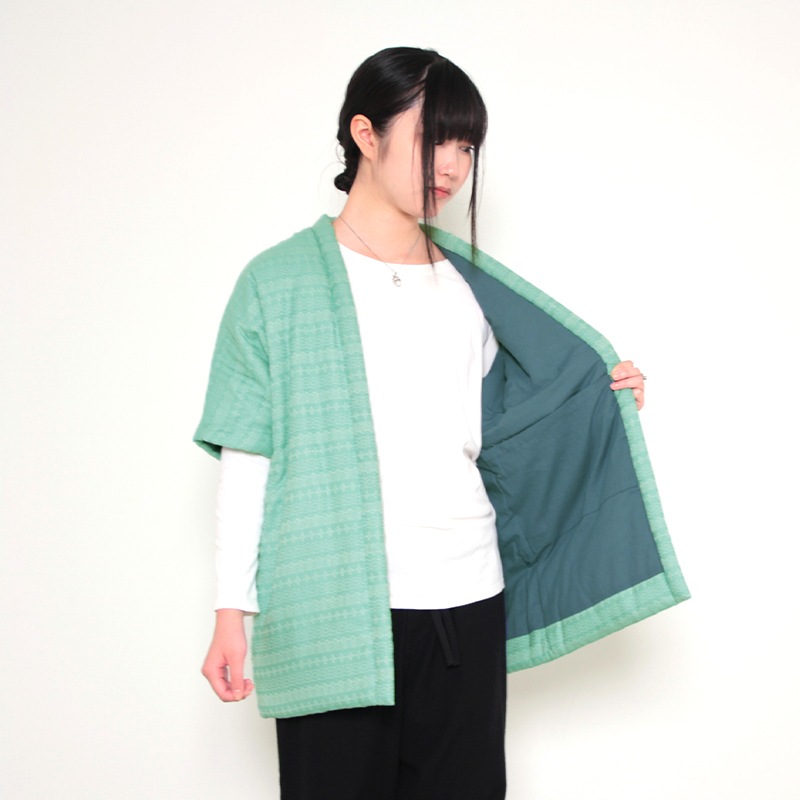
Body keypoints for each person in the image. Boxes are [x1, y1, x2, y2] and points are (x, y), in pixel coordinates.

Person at [194, 46, 688, 800]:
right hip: (331, 606)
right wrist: (232, 609)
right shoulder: (276, 284)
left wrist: (603, 394)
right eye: (435, 139)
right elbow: (248, 456)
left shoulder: (469, 288)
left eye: (466, 146)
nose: (453, 166)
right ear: (365, 134)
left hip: (466, 597)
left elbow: (512, 426)